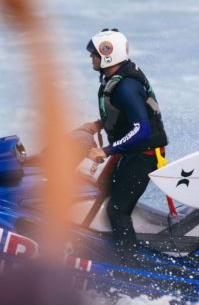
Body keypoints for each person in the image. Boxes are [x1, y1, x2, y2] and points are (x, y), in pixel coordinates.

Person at [80, 28, 168, 262]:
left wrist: (106, 150)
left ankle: (128, 266)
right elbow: (125, 117)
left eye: (94, 54)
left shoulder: (126, 87)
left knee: (117, 210)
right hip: (130, 153)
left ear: (107, 55)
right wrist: (99, 124)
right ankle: (94, 246)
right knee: (99, 192)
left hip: (144, 157)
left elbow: (142, 130)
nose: (91, 58)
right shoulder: (114, 78)